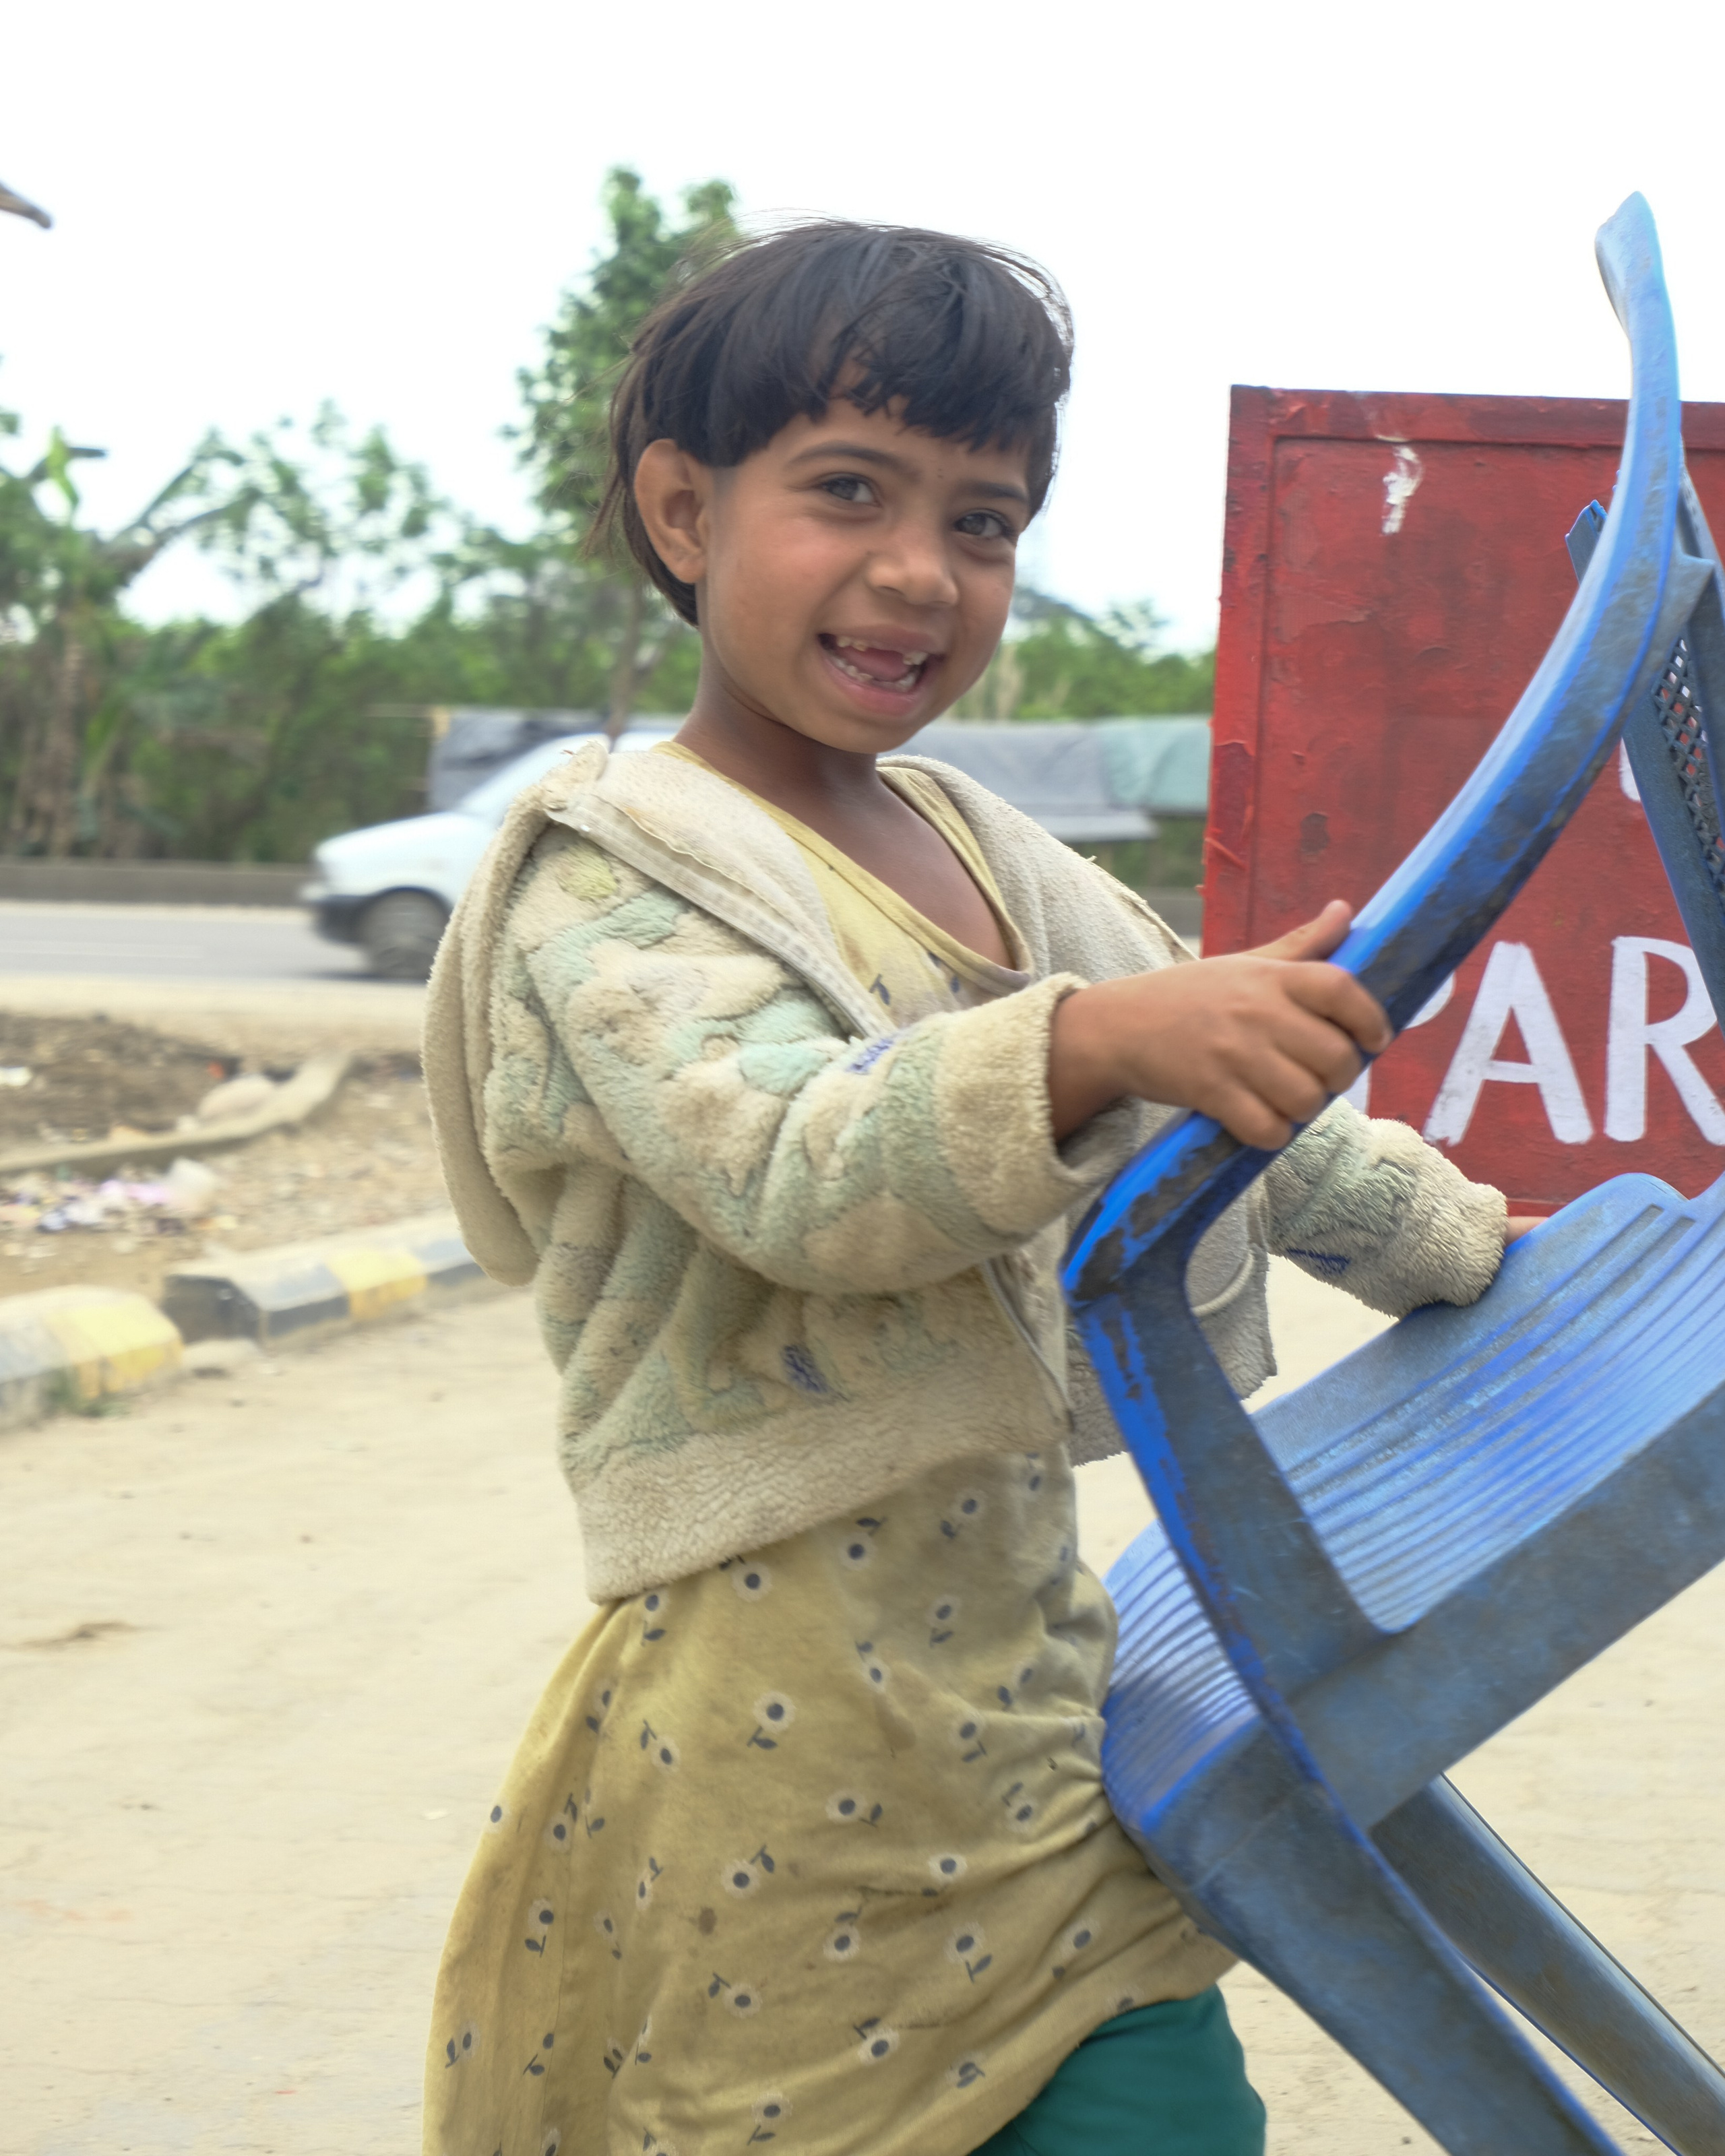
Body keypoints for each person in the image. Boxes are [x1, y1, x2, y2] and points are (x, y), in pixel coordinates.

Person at [420, 220, 1526, 2156]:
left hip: (1022, 1705)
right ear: (682, 510)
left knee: (1168, 2114)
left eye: (985, 520)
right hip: (772, 1758)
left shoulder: (980, 844)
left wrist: (1477, 1256)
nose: (921, 573)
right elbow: (796, 1166)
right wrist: (1091, 1042)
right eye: (847, 491)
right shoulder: (611, 877)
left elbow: (1247, 1110)